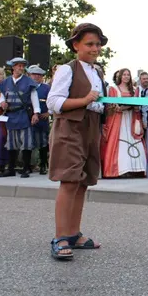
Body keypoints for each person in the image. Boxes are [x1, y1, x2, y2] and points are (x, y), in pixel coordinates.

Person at [46, 22, 107, 260]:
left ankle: (73, 233)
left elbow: (96, 102)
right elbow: (54, 103)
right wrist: (85, 100)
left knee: (83, 182)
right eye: (89, 44)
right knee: (70, 181)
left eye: (98, 44)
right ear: (76, 45)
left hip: (91, 127)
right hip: (70, 128)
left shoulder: (97, 71)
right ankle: (60, 237)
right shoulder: (67, 69)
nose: (95, 48)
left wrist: (104, 107)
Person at [0, 58, 41, 178]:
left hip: (23, 114)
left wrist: (36, 113)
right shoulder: (6, 82)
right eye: (19, 66)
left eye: (22, 66)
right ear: (13, 67)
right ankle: (11, 169)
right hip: (10, 115)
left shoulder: (29, 81)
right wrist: (2, 102)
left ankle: (26, 168)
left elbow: (34, 97)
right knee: (11, 143)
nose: (21, 68)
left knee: (26, 142)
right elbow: (2, 96)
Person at [101, 69, 147, 178]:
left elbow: (138, 105)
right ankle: (120, 169)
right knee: (120, 141)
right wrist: (119, 108)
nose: (126, 76)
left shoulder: (135, 89)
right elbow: (111, 106)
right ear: (120, 76)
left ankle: (136, 169)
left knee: (134, 139)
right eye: (124, 75)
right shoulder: (113, 89)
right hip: (119, 119)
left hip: (131, 118)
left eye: (128, 75)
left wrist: (133, 107)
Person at [27, 65, 51, 175]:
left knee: (43, 143)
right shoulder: (26, 86)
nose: (36, 76)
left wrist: (49, 112)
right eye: (34, 74)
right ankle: (28, 165)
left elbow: (52, 101)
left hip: (42, 119)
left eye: (39, 75)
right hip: (27, 118)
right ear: (29, 75)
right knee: (28, 142)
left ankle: (43, 165)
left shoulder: (47, 88)